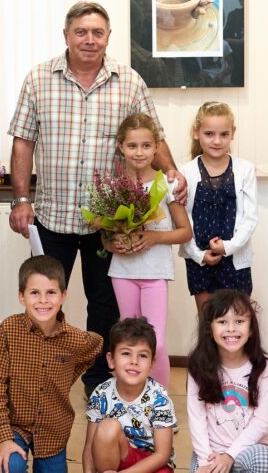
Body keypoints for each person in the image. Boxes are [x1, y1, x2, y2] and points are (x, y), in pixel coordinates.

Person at [8, 0, 185, 393]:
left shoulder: (130, 82)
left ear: (108, 37)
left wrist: (171, 172)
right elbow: (23, 142)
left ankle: (98, 385)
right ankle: (42, 380)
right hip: (52, 217)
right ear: (66, 35)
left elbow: (154, 138)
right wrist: (21, 200)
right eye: (81, 32)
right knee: (44, 301)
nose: (89, 39)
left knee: (104, 307)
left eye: (98, 32)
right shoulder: (38, 79)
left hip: (108, 224)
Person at [0, 255, 103, 473]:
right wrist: (3, 437)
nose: (43, 300)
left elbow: (97, 344)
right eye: (34, 293)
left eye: (51, 292)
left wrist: (67, 374)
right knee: (11, 465)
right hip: (15, 426)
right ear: (21, 296)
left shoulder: (74, 338)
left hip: (53, 431)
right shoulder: (8, 329)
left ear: (63, 295)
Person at [105, 113, 191, 387]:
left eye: (146, 145)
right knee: (128, 344)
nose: (139, 152)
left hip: (155, 274)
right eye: (132, 146)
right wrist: (115, 243)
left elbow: (185, 232)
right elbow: (105, 240)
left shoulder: (167, 184)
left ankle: (159, 401)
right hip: (123, 273)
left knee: (157, 344)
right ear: (121, 147)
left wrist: (154, 237)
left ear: (156, 147)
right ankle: (131, 399)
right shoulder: (113, 186)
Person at [186, 290, 268, 473]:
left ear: (251, 329)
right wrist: (205, 460)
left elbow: (262, 421)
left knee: (266, 460)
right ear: (209, 329)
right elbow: (196, 418)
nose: (231, 329)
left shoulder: (265, 368)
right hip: (211, 453)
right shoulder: (198, 366)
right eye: (222, 322)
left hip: (247, 450)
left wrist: (230, 455)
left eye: (239, 321)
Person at [179, 101, 258, 313]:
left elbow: (250, 218)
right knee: (208, 321)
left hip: (235, 260)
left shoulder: (245, 170)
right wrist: (198, 254)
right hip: (200, 260)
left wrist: (228, 247)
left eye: (224, 134)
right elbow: (182, 219)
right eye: (209, 134)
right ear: (196, 132)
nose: (217, 141)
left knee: (238, 320)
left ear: (233, 133)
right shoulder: (186, 172)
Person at [83, 317, 177, 473]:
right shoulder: (100, 394)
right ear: (111, 360)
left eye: (143, 355)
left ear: (152, 363)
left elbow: (162, 455)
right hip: (117, 459)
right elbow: (89, 448)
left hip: (152, 465)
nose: (134, 361)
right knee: (107, 427)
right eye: (126, 353)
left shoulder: (159, 398)